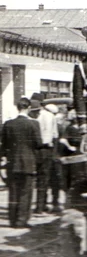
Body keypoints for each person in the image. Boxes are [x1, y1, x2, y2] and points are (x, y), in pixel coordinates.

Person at [0, 98, 43, 228]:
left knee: (13, 191)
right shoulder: (33, 124)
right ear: (28, 108)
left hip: (12, 163)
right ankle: (21, 220)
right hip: (28, 162)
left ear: (18, 108)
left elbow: (3, 145)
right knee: (25, 192)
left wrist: (3, 158)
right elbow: (38, 143)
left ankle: (13, 220)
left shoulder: (8, 124)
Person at [34, 102, 59, 214]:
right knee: (46, 179)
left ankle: (40, 205)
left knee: (40, 179)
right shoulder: (50, 117)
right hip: (47, 149)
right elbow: (53, 135)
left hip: (37, 150)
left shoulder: (38, 115)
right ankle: (41, 207)